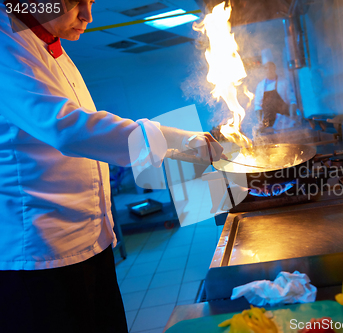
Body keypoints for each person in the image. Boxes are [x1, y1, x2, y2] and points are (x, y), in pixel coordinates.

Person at [0, 1, 223, 332]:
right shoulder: (7, 46)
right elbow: (68, 128)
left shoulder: (46, 43)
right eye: (75, 1)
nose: (88, 15)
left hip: (88, 241)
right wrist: (185, 141)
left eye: (91, 2)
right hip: (41, 254)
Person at [254, 48, 299, 128]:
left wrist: (292, 117)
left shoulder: (284, 82)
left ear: (274, 68)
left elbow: (292, 101)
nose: (268, 70)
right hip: (268, 125)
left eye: (270, 67)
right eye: (266, 68)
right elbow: (257, 106)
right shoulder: (260, 86)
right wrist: (260, 121)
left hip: (285, 123)